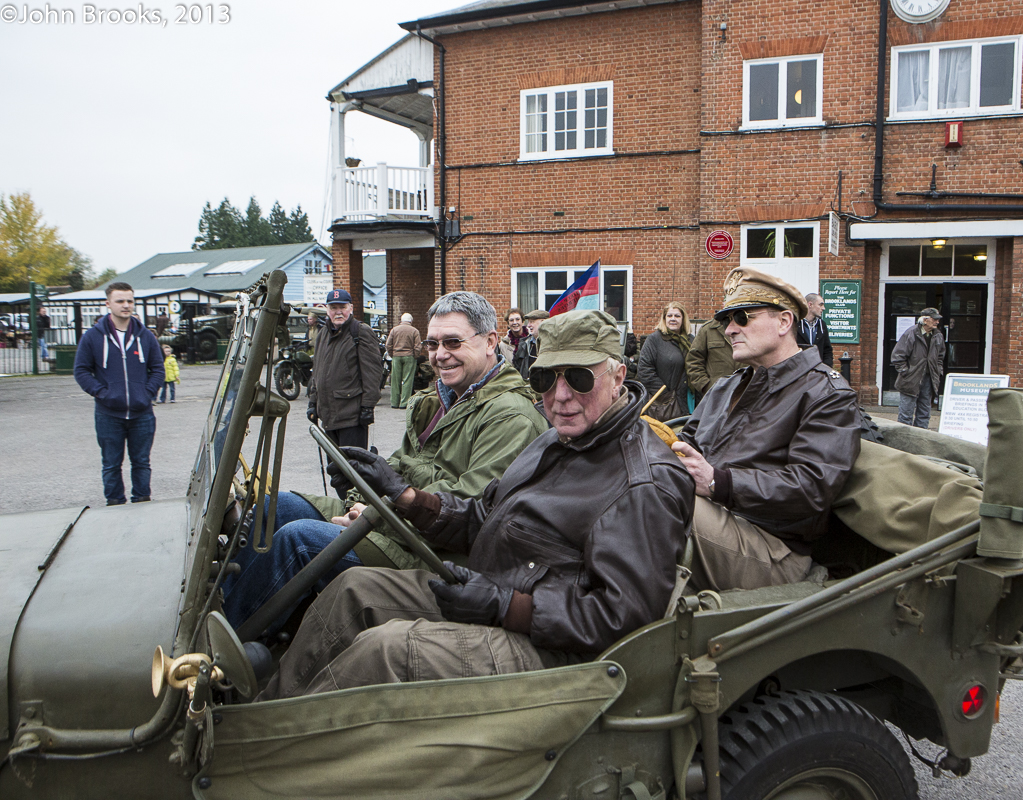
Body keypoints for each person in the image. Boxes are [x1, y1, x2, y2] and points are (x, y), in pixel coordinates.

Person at [256, 309, 694, 699]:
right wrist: (407, 497)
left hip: (557, 650)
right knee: (354, 589)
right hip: (488, 592)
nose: (560, 396)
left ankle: (276, 750)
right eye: (545, 379)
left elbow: (627, 620)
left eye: (578, 378)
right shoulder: (553, 441)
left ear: (617, 377)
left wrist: (506, 605)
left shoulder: (644, 483)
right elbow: (484, 514)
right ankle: (263, 711)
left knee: (386, 650)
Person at [222, 291, 548, 633]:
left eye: (453, 342)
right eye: (433, 344)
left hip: (440, 554)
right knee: (272, 507)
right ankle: (241, 616)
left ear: (490, 342)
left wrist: (374, 517)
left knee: (298, 539)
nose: (440, 355)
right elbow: (401, 464)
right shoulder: (436, 400)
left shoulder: (511, 416)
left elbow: (467, 506)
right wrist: (361, 493)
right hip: (398, 524)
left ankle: (224, 653)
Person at [671, 267, 861, 591]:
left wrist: (718, 482)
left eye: (742, 317)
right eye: (726, 320)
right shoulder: (727, 386)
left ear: (784, 322)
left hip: (773, 548)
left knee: (652, 499)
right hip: (717, 521)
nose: (730, 330)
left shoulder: (826, 394)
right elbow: (687, 441)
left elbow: (811, 486)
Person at [74, 282, 164, 506]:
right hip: (108, 414)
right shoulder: (93, 337)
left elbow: (158, 368)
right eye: (120, 301)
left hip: (142, 413)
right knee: (111, 464)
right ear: (108, 303)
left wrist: (147, 393)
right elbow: (81, 370)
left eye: (130, 301)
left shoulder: (145, 336)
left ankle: (142, 502)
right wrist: (102, 393)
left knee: (142, 462)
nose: (126, 306)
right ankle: (114, 506)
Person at [307, 289, 383, 457]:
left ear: (351, 308)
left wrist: (367, 406)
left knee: (354, 470)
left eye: (342, 307)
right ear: (327, 310)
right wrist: (313, 402)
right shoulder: (323, 334)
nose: (338, 312)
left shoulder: (360, 332)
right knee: (336, 472)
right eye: (334, 308)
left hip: (352, 416)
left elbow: (372, 373)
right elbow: (318, 371)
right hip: (328, 417)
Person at [637, 301, 694, 420]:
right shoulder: (654, 340)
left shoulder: (691, 341)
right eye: (669, 315)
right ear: (664, 319)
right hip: (664, 405)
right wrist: (665, 394)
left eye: (677, 316)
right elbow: (644, 370)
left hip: (689, 400)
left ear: (683, 319)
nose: (673, 319)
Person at [891, 308, 945, 429]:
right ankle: (904, 441)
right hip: (911, 379)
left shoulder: (938, 335)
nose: (937, 322)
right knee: (906, 414)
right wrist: (906, 372)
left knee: (924, 413)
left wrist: (938, 371)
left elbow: (940, 356)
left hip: (928, 378)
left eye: (937, 319)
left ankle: (921, 440)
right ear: (925, 320)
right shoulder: (911, 333)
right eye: (934, 319)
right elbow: (897, 356)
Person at [685, 317, 742, 400]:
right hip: (717, 396)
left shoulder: (748, 327)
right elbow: (693, 361)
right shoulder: (708, 329)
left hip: (746, 394)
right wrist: (706, 386)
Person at [385, 312, 422, 408]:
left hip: (396, 356)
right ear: (411, 321)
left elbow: (388, 344)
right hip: (409, 356)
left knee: (395, 380)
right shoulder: (414, 331)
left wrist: (392, 354)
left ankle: (394, 402)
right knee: (407, 380)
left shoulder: (394, 330)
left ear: (401, 320)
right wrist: (415, 356)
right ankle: (404, 402)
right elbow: (418, 346)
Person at [799, 292, 834, 368]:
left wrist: (826, 368)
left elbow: (827, 350)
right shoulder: (796, 324)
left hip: (818, 373)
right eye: (820, 305)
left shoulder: (822, 325)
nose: (823, 308)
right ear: (810, 305)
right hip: (799, 372)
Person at [512, 309, 549, 380]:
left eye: (532, 322)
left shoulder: (553, 344)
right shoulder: (524, 344)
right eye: (528, 322)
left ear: (543, 322)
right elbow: (517, 368)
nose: (528, 325)